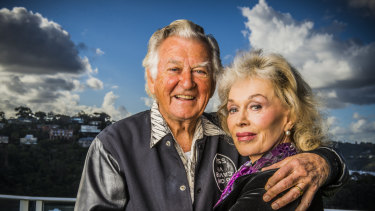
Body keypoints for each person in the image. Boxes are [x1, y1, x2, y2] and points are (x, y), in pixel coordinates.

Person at [74, 20, 347, 211]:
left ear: (214, 81)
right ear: (151, 78)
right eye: (174, 69)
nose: (187, 83)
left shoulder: (239, 135)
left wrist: (324, 162)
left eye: (200, 71)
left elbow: (296, 152)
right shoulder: (113, 145)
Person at [214, 50, 329, 210]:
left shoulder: (275, 182)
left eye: (255, 106)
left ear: (291, 117)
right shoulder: (256, 170)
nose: (240, 120)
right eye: (233, 109)